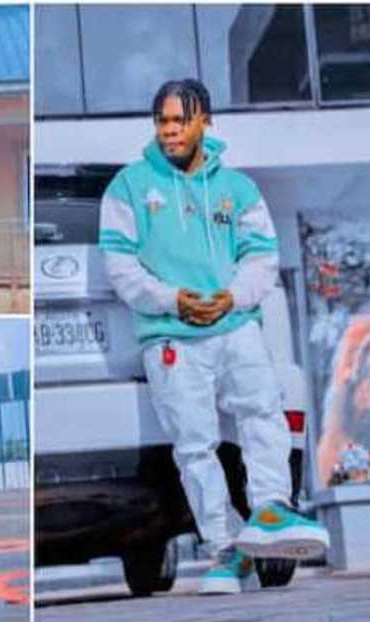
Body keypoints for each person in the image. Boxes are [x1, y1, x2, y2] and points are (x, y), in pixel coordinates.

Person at [97, 79, 329, 595]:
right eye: (163, 121)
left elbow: (261, 257)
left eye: (181, 120)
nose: (171, 130)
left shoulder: (239, 189)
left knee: (262, 414)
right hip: (170, 335)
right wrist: (172, 300)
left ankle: (271, 510)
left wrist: (234, 296)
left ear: (206, 122)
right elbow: (121, 267)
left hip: (235, 325)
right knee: (195, 446)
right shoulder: (129, 188)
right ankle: (225, 550)